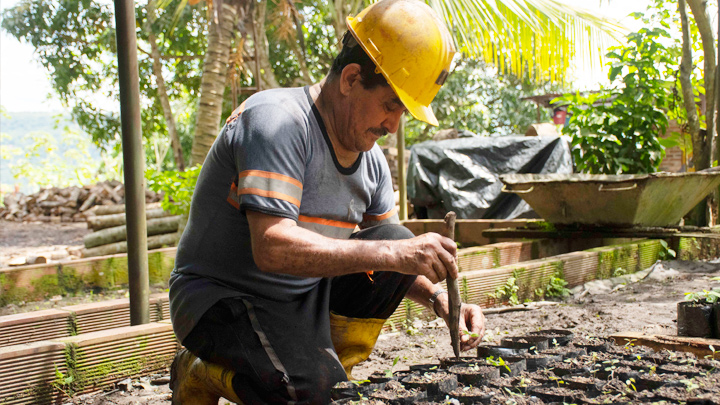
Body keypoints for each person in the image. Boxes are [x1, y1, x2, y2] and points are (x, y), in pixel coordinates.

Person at [168, 0, 486, 403]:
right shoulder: (278, 121)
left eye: (402, 112)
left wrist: (441, 301)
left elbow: (393, 262)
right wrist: (396, 251)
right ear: (351, 78)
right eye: (391, 105)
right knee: (311, 392)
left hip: (300, 300)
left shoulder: (371, 163)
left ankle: (321, 374)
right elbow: (271, 247)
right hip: (221, 301)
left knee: (392, 234)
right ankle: (201, 371)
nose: (393, 125)